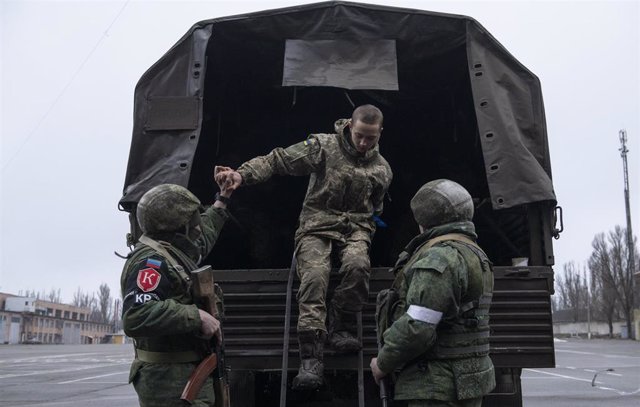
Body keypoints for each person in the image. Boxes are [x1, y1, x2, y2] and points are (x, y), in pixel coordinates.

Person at [217, 104, 393, 390]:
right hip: (316, 226)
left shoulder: (382, 169)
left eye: (370, 138)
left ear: (379, 134)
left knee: (358, 266)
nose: (363, 143)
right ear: (350, 125)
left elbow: (377, 206)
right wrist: (242, 175)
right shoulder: (323, 147)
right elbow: (279, 160)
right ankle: (311, 359)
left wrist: (366, 225)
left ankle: (342, 325)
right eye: (359, 135)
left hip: (356, 229)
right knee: (314, 278)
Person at [370, 179, 496, 407]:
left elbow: (418, 327)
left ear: (423, 218)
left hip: (437, 385)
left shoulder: (440, 258)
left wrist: (383, 362)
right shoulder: (474, 252)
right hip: (464, 381)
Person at [120, 167, 234, 407]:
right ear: (176, 225)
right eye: (191, 221)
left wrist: (222, 199)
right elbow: (136, 315)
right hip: (169, 384)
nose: (196, 226)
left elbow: (202, 239)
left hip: (184, 376)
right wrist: (196, 316)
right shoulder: (151, 263)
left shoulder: (173, 252)